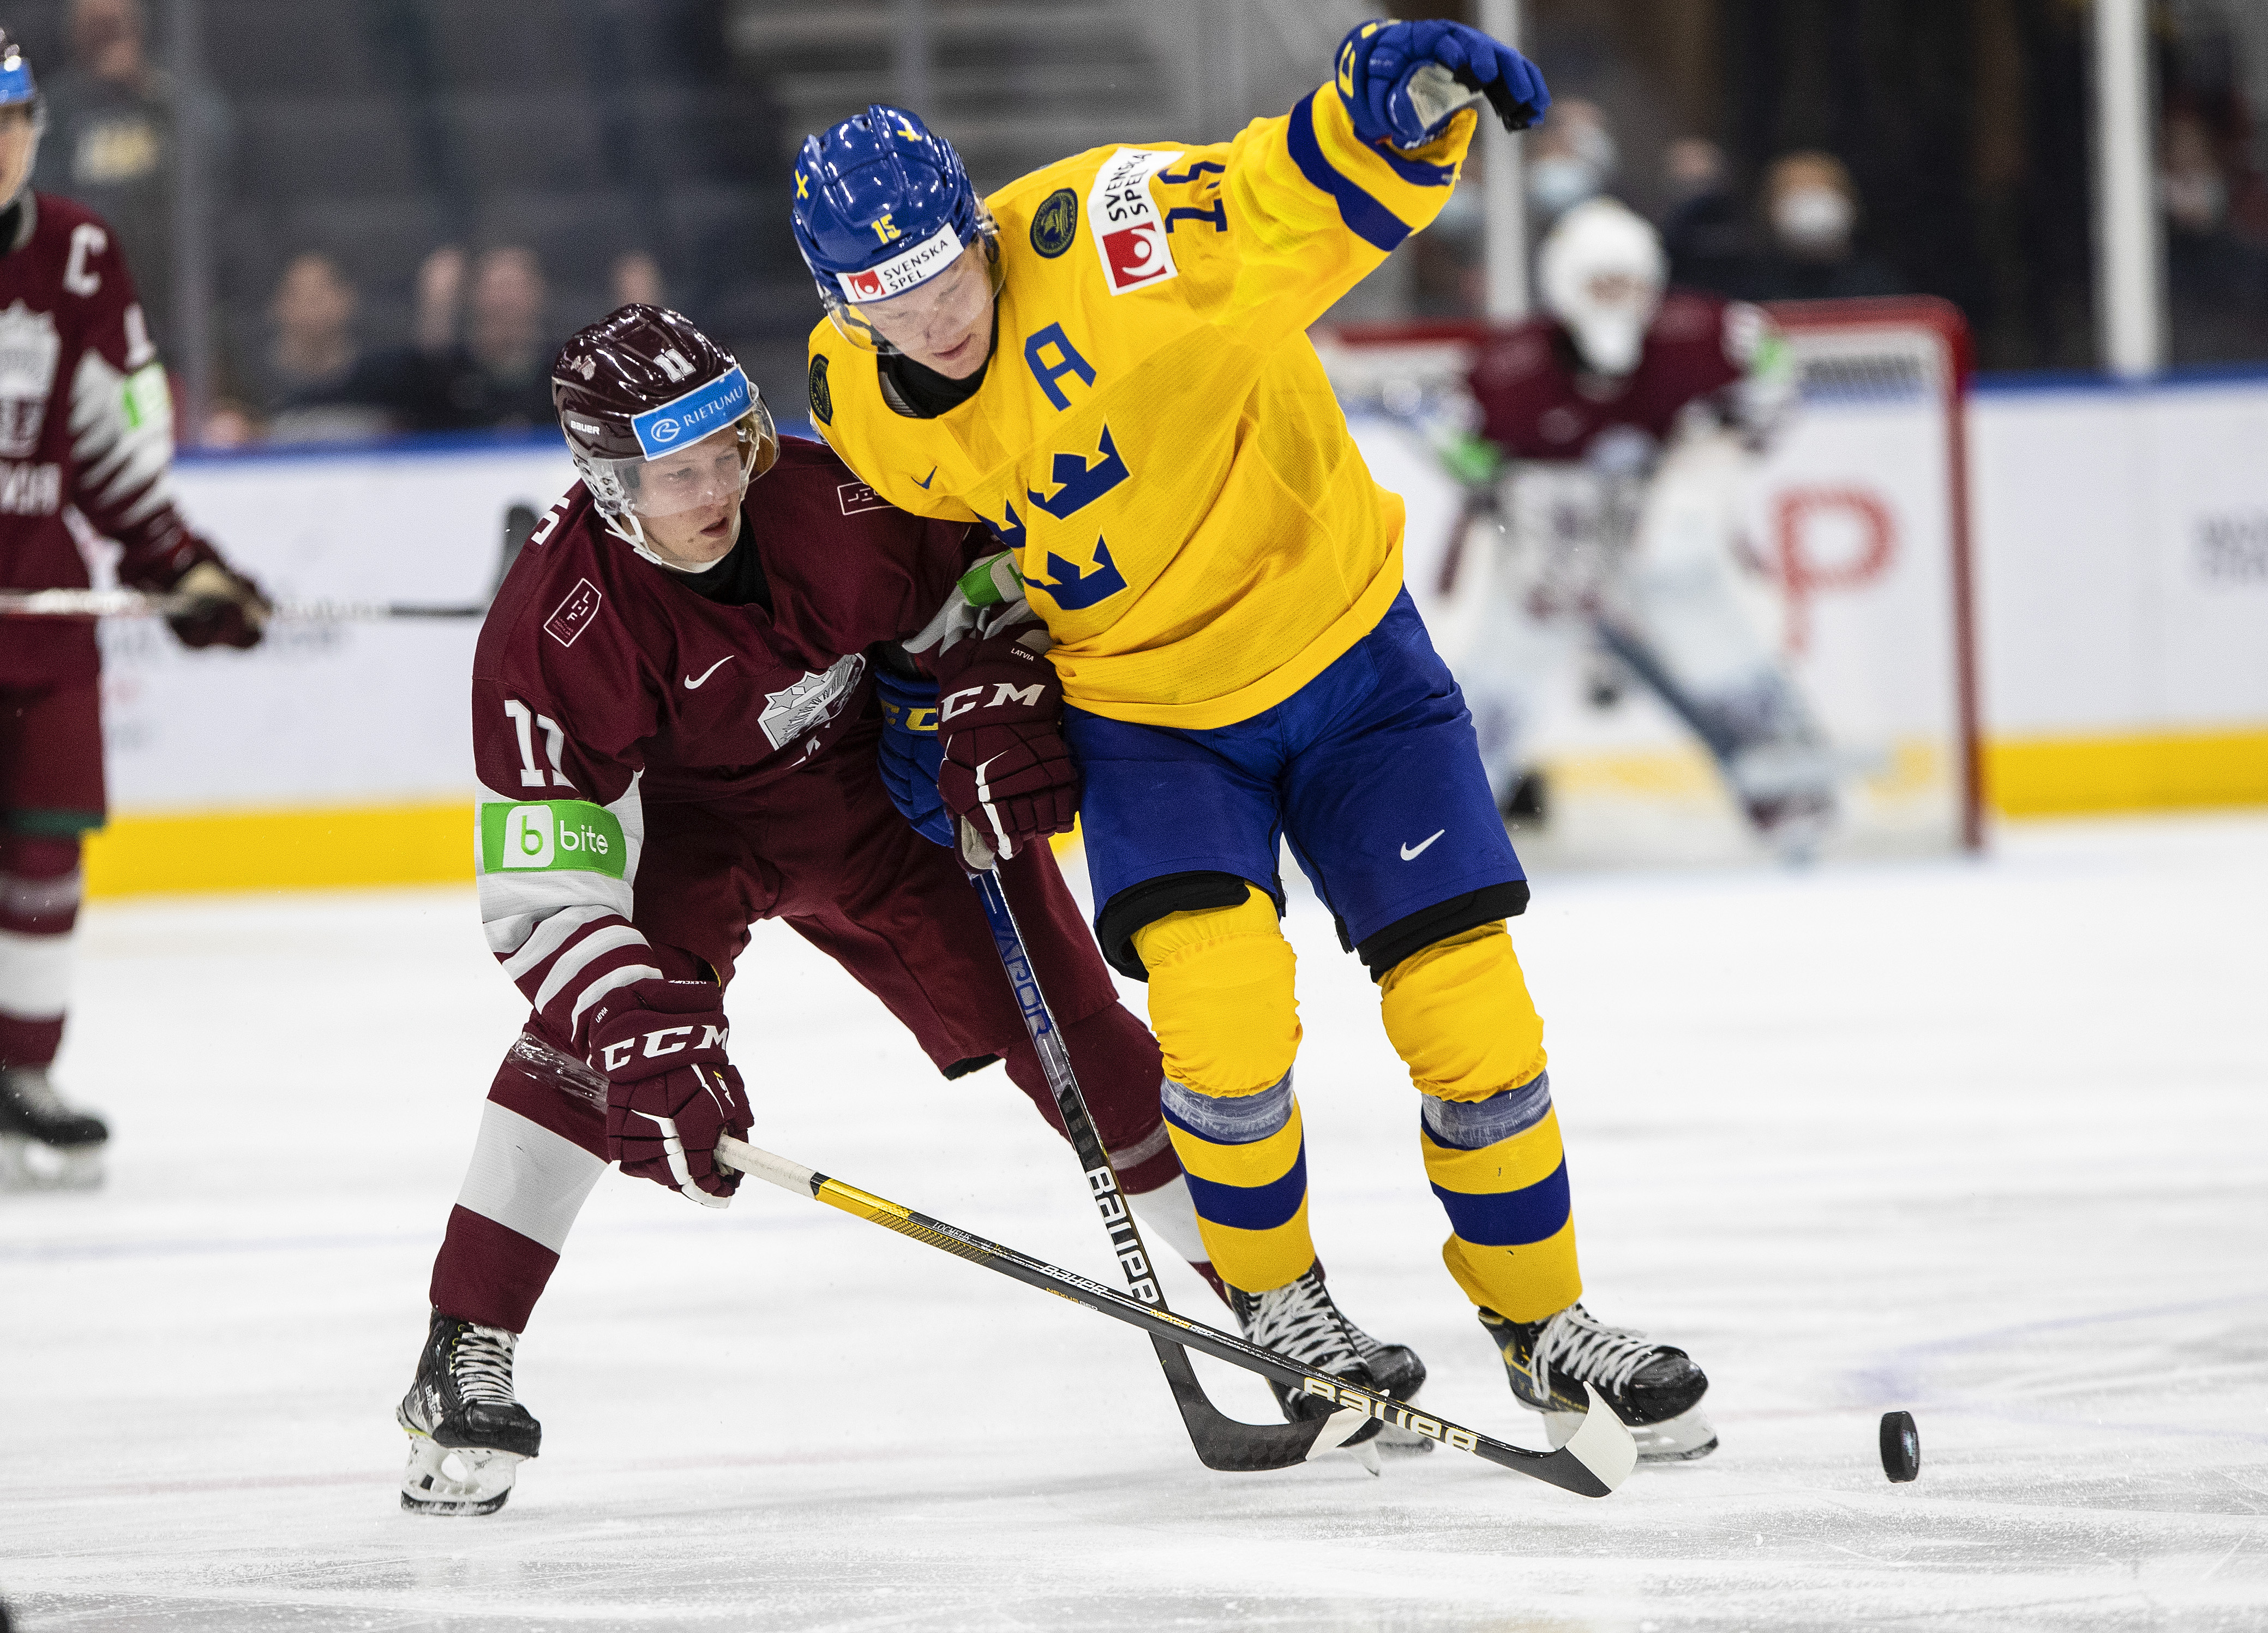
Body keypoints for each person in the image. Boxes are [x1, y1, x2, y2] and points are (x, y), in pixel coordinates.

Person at [791, 19, 1715, 1460]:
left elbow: (1264, 199)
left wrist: (1381, 125)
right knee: (1220, 1024)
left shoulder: (1102, 233)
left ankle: (1540, 1326)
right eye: (884, 297)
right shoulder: (856, 404)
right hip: (1149, 720)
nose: (930, 316)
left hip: (1351, 667)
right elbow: (939, 556)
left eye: (940, 270)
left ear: (978, 226)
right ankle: (1283, 1309)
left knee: (1468, 1011)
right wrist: (927, 686)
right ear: (842, 307)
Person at [393, 303, 1423, 1515]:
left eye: (728, 447)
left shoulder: (829, 498)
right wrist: (636, 1020)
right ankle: (461, 1349)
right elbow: (547, 883)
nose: (720, 486)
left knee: (1089, 1047)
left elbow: (986, 575)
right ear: (611, 484)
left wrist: (985, 687)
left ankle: (1270, 1305)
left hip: (891, 799)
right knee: (588, 1051)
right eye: (678, 471)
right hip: (690, 833)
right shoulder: (551, 629)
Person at [0, 31, 267, 1188]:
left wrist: (177, 564)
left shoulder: (78, 254)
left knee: (48, 845)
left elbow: (109, 452)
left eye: (12, 120)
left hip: (40, 604)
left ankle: (24, 1073)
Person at [1449, 197, 1829, 852]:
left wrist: (1721, 444)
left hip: (1661, 533)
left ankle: (1789, 779)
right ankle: (1456, 804)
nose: (1617, 300)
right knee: (1513, 649)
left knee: (1697, 600)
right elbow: (1465, 448)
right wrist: (1509, 483)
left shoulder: (1705, 334)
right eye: (1601, 283)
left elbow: (1772, 369)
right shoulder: (1508, 369)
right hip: (1557, 543)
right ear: (1563, 285)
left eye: (1628, 282)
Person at [31, 0, 220, 348]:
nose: (108, 37)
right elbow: (37, 192)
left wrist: (147, 88)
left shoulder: (168, 96)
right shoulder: (55, 108)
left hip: (164, 285)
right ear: (76, 33)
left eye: (115, 24)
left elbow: (214, 150)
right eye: (97, 26)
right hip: (82, 286)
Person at [358, 245, 561, 434]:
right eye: (496, 287)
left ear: (540, 292)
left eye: (517, 287)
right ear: (473, 295)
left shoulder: (565, 371)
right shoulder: (445, 373)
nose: (505, 300)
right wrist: (437, 309)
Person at [1742, 151, 1900, 303]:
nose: (1812, 209)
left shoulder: (1878, 287)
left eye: (1823, 192)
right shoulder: (1750, 292)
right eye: (1797, 195)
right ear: (1769, 210)